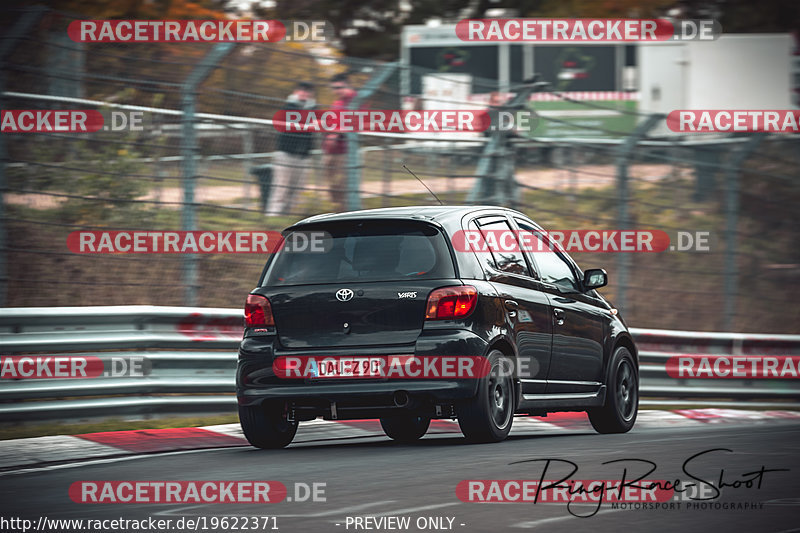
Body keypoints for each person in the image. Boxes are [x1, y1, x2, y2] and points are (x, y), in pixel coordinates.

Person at [266, 82, 316, 216]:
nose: (304, 93)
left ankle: (292, 216)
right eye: (301, 91)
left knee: (298, 189)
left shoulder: (313, 108)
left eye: (307, 91)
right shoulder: (288, 106)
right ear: (296, 91)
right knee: (281, 186)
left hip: (303, 155)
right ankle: (274, 215)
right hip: (286, 153)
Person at [321, 73, 356, 211]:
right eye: (334, 88)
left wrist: (337, 132)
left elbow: (359, 123)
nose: (336, 91)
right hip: (330, 150)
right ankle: (336, 210)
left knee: (343, 184)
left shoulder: (356, 101)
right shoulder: (337, 103)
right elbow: (331, 122)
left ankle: (345, 211)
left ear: (347, 85)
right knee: (332, 184)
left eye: (339, 87)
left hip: (345, 151)